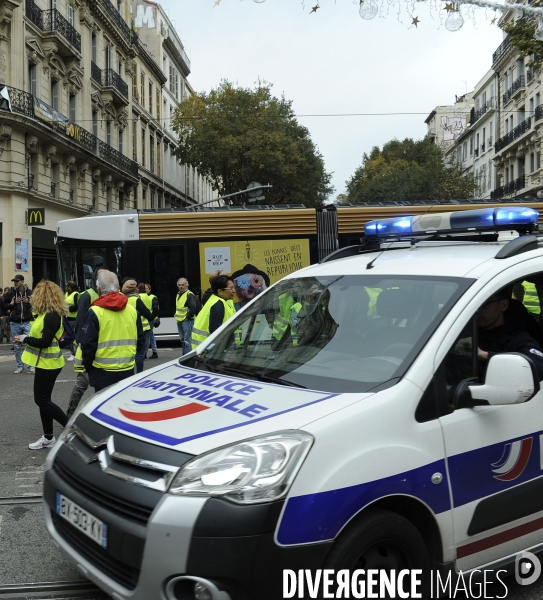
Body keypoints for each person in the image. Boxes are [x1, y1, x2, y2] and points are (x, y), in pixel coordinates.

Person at [13, 280, 68, 449]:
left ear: (42, 296)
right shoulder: (46, 314)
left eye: (36, 293)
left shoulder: (51, 315)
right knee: (44, 400)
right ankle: (49, 437)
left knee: (42, 400)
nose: (32, 296)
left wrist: (24, 339)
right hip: (45, 362)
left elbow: (44, 342)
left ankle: (72, 428)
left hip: (49, 362)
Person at [77, 270, 143, 392]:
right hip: (127, 369)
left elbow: (87, 345)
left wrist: (88, 367)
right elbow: (140, 341)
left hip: (102, 371)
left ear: (99, 290)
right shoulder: (132, 310)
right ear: (118, 288)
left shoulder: (95, 312)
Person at [66, 265, 107, 418]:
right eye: (101, 276)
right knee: (81, 384)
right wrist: (78, 343)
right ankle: (69, 415)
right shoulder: (87, 295)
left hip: (105, 348)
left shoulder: (114, 295)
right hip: (87, 345)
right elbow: (80, 320)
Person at [478, 288, 543, 380]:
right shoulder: (464, 332)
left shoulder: (518, 339)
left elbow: (539, 367)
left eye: (484, 305)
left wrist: (485, 355)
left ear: (503, 305)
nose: (478, 310)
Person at [192, 275, 236, 350]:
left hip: (203, 349)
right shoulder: (218, 304)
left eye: (233, 287)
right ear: (220, 291)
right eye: (231, 288)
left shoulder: (213, 299)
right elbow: (215, 331)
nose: (234, 290)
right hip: (209, 351)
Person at [120, 277, 153, 373]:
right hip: (140, 329)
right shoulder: (136, 300)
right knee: (139, 354)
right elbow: (148, 315)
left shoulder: (122, 299)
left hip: (127, 330)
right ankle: (139, 374)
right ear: (134, 289)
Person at [1, 275, 34, 374]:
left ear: (23, 281)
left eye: (17, 281)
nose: (15, 283)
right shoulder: (10, 293)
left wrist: (30, 302)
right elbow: (2, 306)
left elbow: (37, 304)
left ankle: (30, 366)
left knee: (30, 344)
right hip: (14, 322)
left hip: (27, 321)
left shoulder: (30, 292)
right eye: (14, 281)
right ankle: (20, 366)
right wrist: (11, 304)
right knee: (16, 346)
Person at [175, 277, 199, 355]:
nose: (181, 286)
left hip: (187, 320)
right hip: (180, 320)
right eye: (179, 285)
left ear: (186, 285)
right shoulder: (178, 294)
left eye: (183, 285)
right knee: (182, 340)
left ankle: (187, 358)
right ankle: (184, 356)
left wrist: (187, 318)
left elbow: (193, 308)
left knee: (187, 340)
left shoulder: (189, 294)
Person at [64, 280, 79, 362]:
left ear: (70, 287)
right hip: (68, 318)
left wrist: (68, 309)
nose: (65, 287)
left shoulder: (76, 294)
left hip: (74, 318)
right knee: (70, 337)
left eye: (67, 286)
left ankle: (74, 354)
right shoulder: (66, 294)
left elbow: (77, 306)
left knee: (73, 337)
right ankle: (72, 352)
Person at [145, 283, 160, 359]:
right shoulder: (147, 297)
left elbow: (155, 310)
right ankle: (154, 351)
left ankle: (145, 352)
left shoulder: (152, 297)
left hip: (151, 319)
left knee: (148, 337)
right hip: (150, 319)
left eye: (146, 288)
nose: (145, 290)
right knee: (151, 336)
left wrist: (151, 318)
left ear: (149, 289)